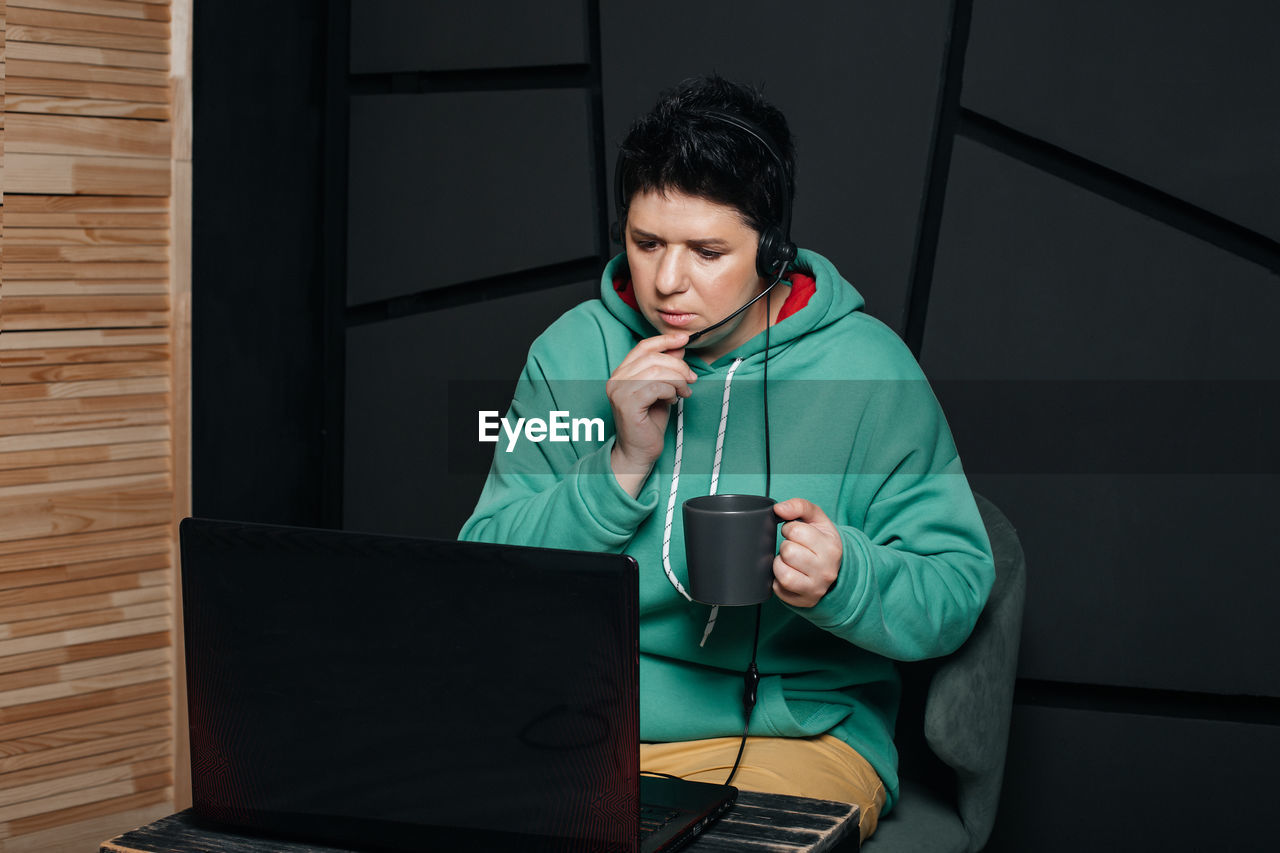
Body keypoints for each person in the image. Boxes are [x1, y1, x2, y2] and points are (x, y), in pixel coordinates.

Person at [459, 75, 994, 842]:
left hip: (798, 736)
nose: (668, 281)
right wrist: (618, 465)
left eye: (708, 251)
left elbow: (956, 586)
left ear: (772, 249)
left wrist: (847, 576)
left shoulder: (870, 370)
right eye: (646, 245)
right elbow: (481, 574)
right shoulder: (572, 350)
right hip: (582, 723)